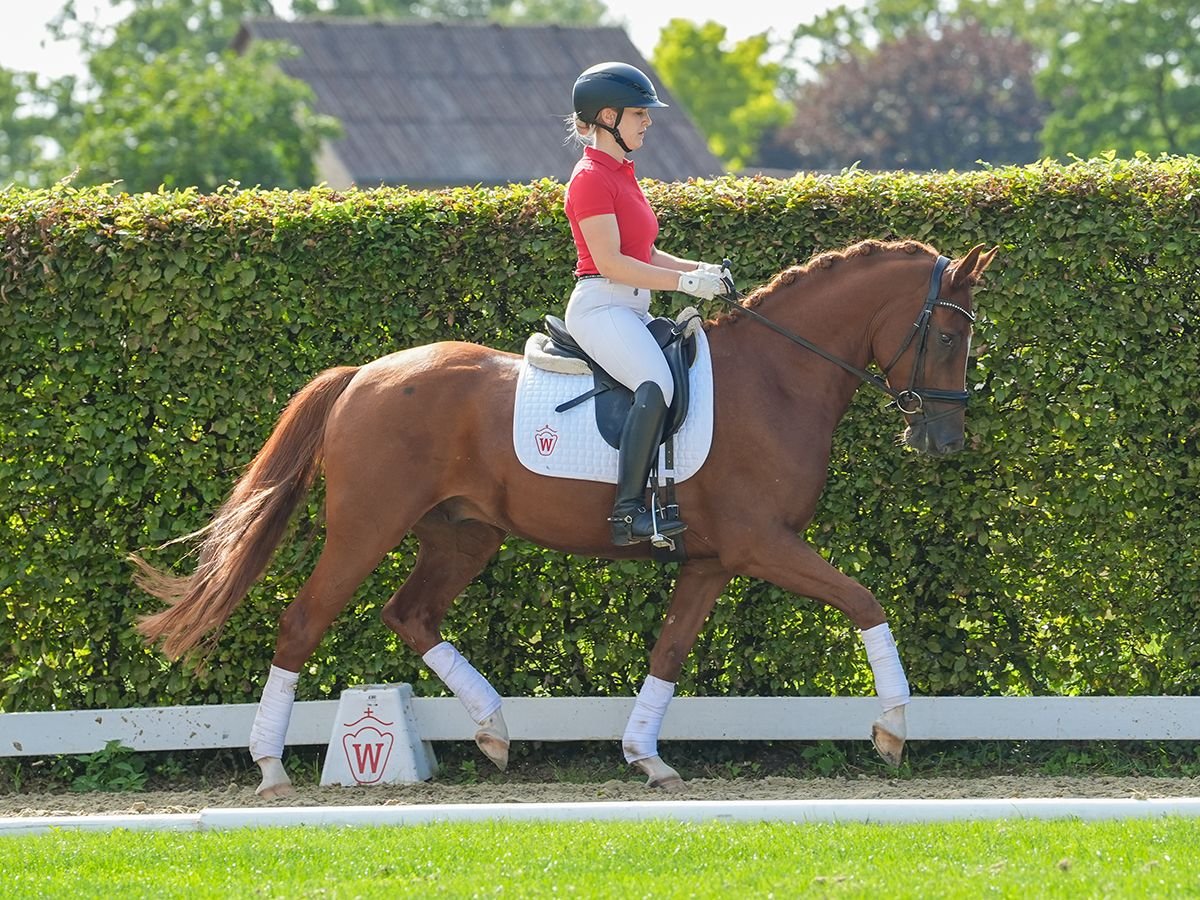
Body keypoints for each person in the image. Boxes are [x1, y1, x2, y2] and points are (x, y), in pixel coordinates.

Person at [563, 61, 729, 547]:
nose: (648, 121)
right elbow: (612, 263)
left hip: (629, 307)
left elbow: (646, 253)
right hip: (601, 307)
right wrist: (684, 284)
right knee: (654, 381)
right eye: (640, 112)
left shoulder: (621, 173)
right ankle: (627, 515)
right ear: (608, 116)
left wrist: (700, 271)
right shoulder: (591, 178)